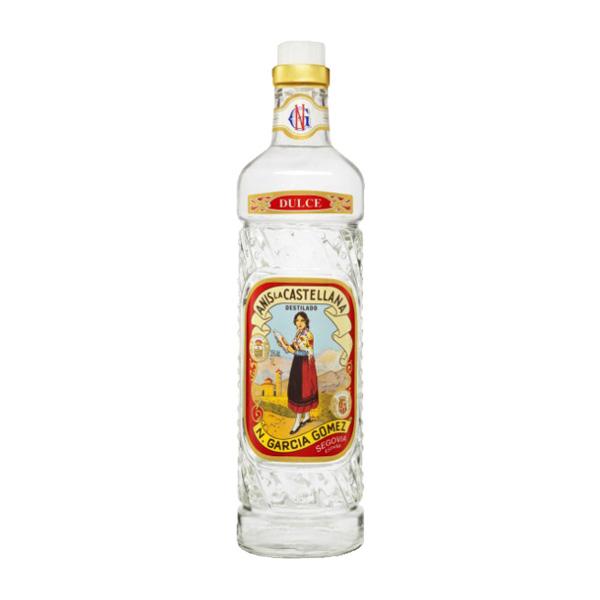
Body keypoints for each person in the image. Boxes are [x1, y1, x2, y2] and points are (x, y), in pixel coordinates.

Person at [276, 311, 319, 434]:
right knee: (299, 388)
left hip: (305, 365)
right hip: (298, 363)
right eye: (297, 320)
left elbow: (306, 352)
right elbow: (294, 347)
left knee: (303, 391)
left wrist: (290, 350)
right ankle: (307, 416)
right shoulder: (298, 333)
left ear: (306, 322)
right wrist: (284, 344)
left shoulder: (308, 334)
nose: (299, 323)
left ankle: (298, 421)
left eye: (302, 320)